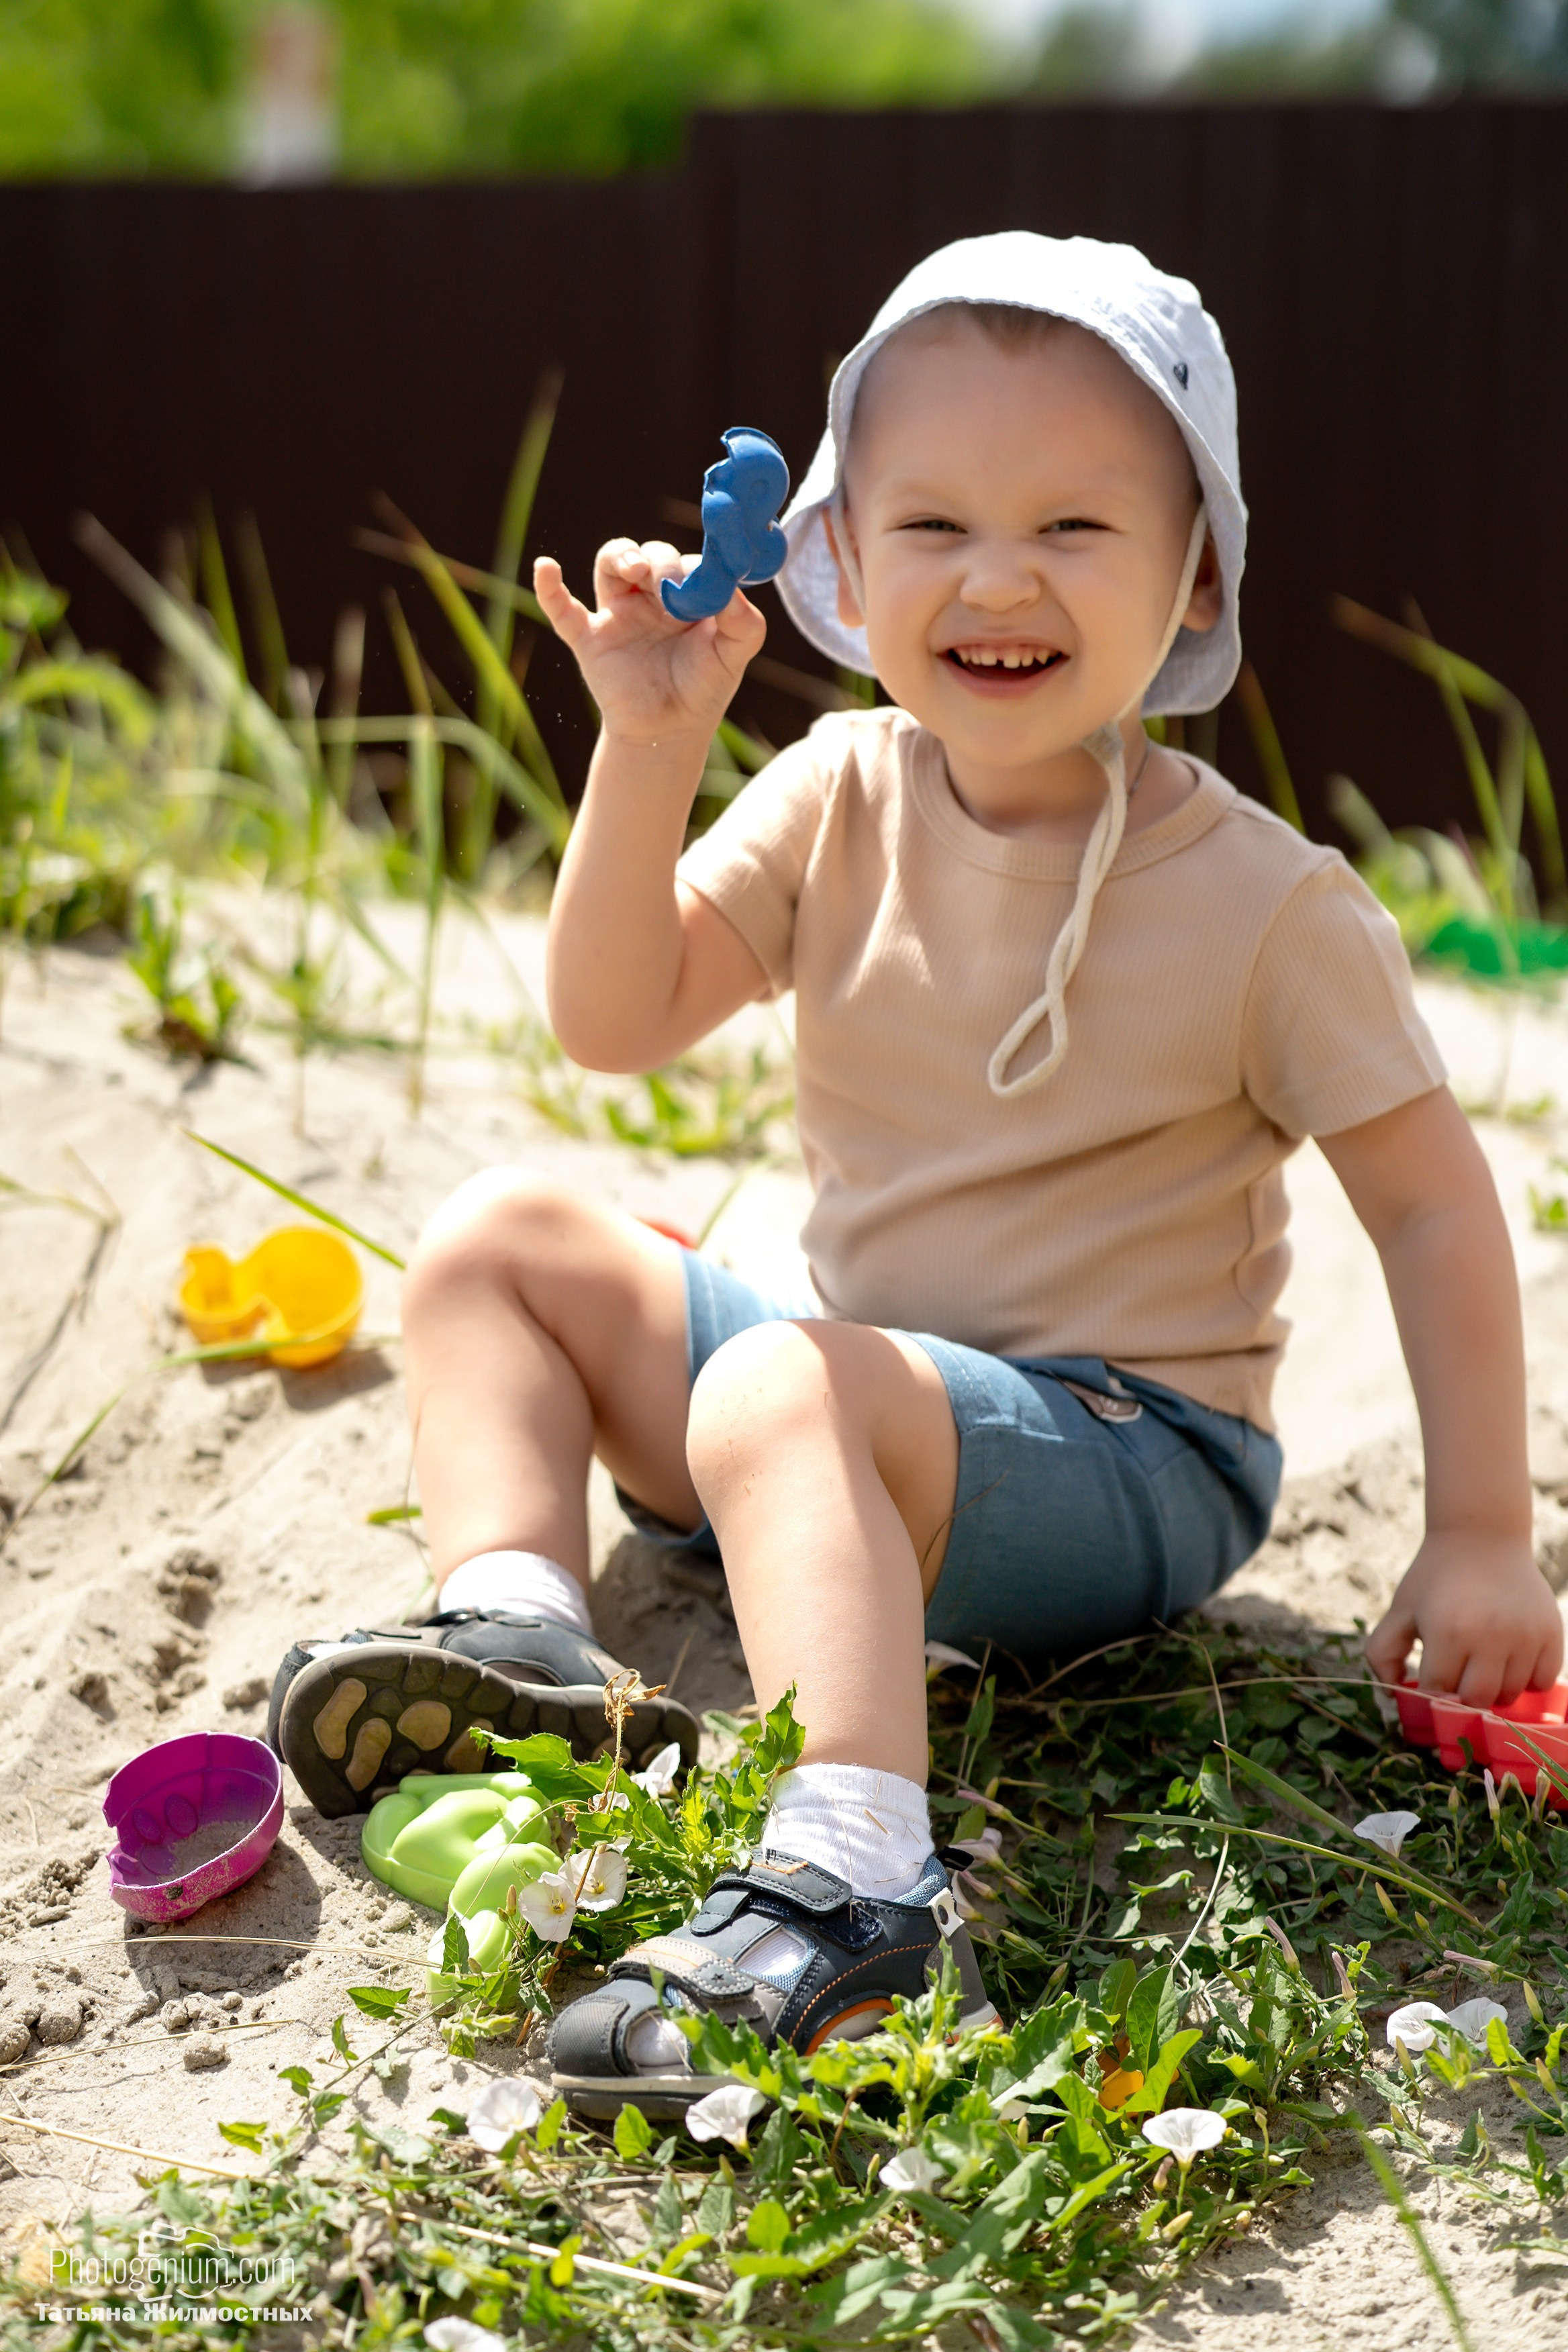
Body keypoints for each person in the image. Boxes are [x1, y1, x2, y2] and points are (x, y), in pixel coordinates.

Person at [271, 233, 1561, 2114]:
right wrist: (652, 746)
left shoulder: (1270, 906)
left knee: (788, 1383)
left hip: (1128, 1453)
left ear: (1195, 570)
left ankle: (861, 1867)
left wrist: (1482, 1534)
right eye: (935, 523)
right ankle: (522, 1639)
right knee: (501, 1243)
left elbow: (1436, 1201)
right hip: (843, 1399)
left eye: (1076, 527)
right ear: (845, 564)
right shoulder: (835, 796)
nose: (1000, 576)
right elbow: (616, 1015)